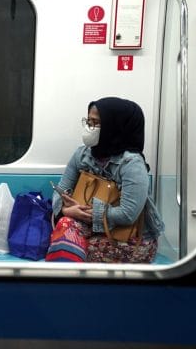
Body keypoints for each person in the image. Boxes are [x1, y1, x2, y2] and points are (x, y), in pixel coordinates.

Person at [49, 97, 164, 263]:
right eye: (89, 122)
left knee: (74, 246)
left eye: (96, 123)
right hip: (93, 227)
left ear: (114, 127)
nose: (90, 128)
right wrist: (65, 211)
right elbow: (60, 191)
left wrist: (87, 213)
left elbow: (127, 214)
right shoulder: (82, 155)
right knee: (66, 227)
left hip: (130, 238)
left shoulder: (132, 164)